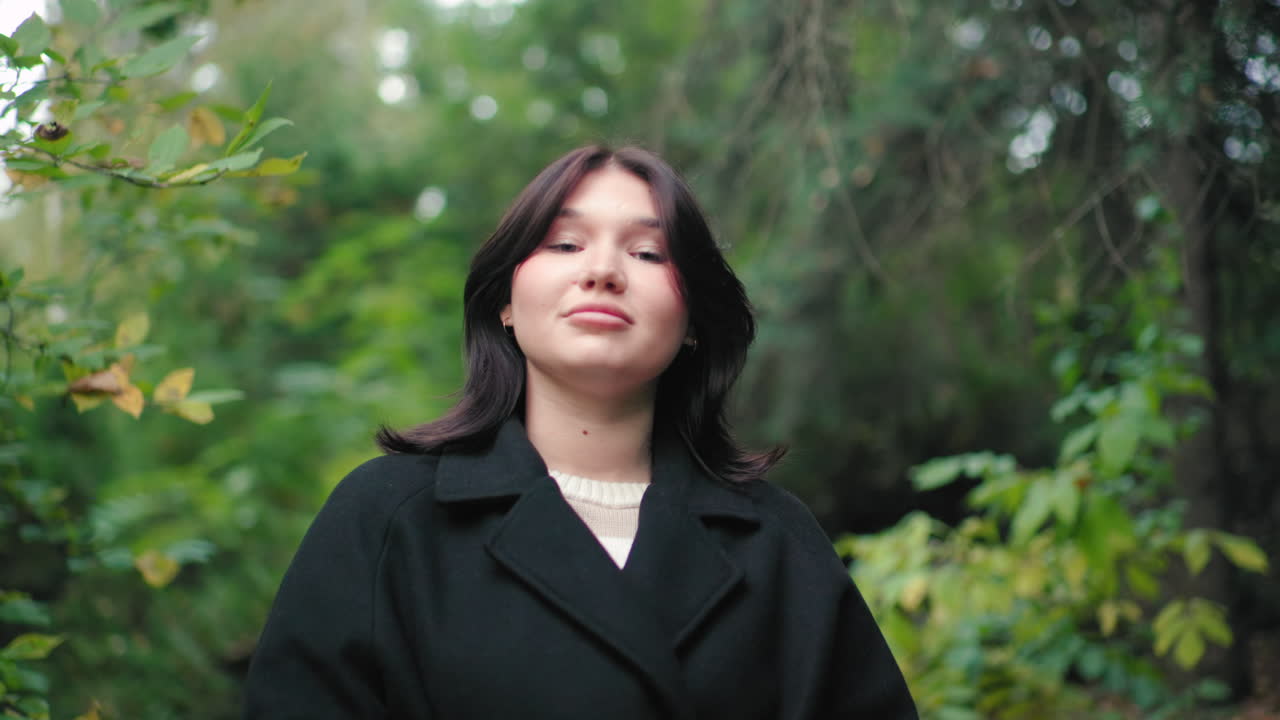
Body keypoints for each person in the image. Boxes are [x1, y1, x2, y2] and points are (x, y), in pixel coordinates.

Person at [242, 145, 917, 719]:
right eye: (564, 243)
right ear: (505, 302)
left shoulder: (776, 542)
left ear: (693, 323)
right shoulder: (387, 518)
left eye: (649, 253)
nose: (602, 271)